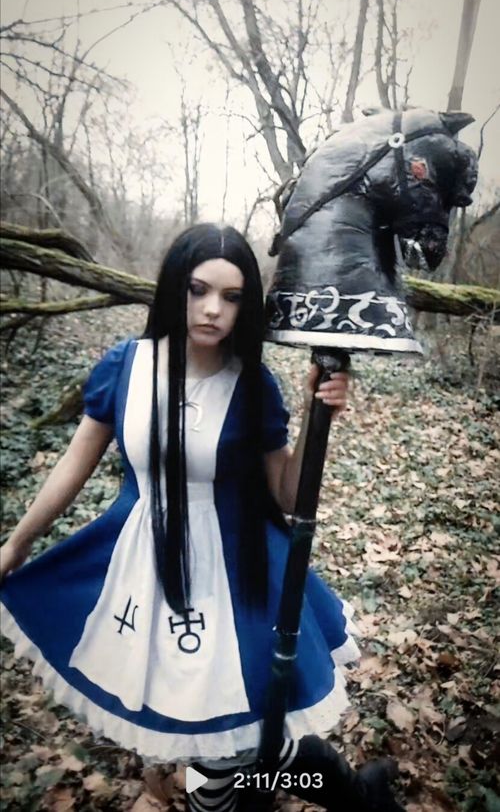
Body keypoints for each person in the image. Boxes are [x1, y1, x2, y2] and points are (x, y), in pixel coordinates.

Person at [0, 224, 403, 812]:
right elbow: (73, 465)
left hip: (231, 576)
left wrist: (317, 416)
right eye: (198, 290)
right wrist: (16, 544)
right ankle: (350, 793)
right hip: (141, 567)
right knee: (219, 737)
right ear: (174, 288)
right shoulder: (126, 366)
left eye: (232, 296)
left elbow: (289, 496)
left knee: (222, 735)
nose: (213, 309)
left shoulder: (253, 386)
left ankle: (338, 793)